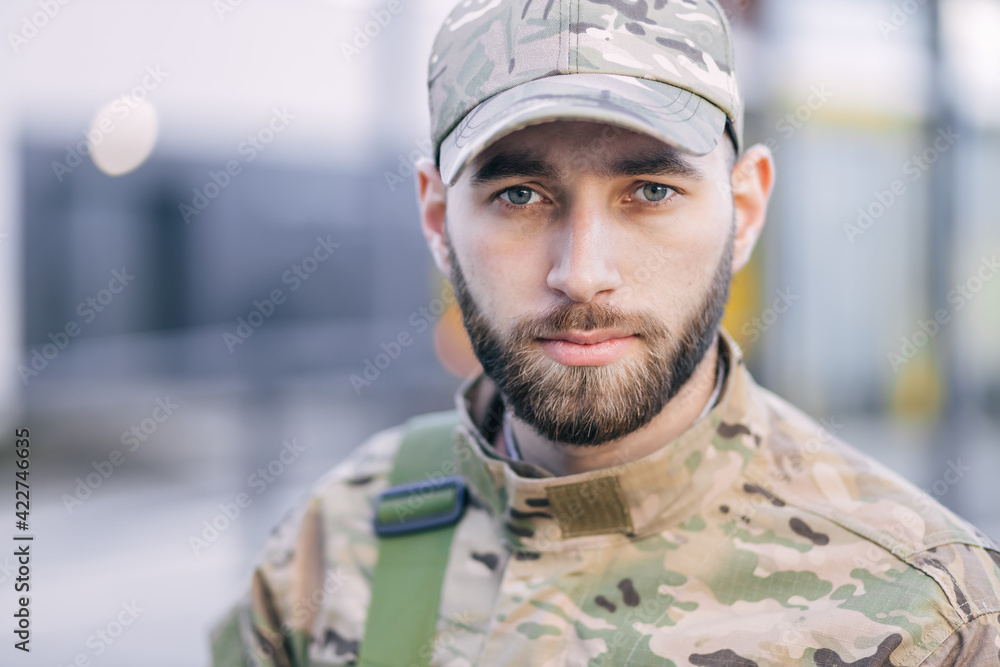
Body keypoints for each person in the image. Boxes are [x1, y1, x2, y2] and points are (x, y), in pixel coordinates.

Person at [210, 1, 1000, 665]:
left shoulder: (934, 613)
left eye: (650, 189)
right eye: (519, 195)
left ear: (746, 209)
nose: (582, 273)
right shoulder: (331, 548)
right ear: (435, 219)